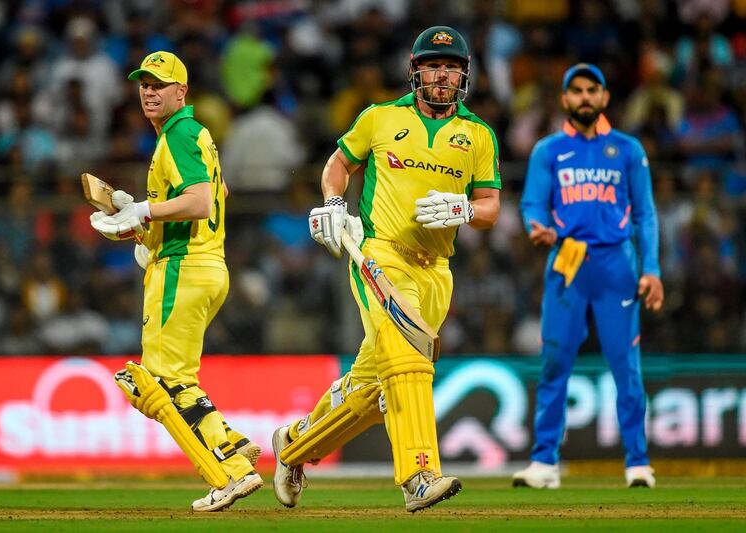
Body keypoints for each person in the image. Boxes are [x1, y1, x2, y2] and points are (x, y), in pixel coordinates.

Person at [271, 26, 501, 512]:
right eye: (434, 66)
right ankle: (419, 474)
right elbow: (337, 164)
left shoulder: (478, 134)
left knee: (371, 388)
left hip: (437, 271)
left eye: (452, 68)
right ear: (415, 72)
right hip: (380, 253)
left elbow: (491, 206)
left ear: (464, 76)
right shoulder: (380, 118)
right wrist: (334, 204)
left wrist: (463, 210)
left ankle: (291, 446)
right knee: (409, 359)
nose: (443, 76)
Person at [89, 51, 262, 511]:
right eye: (144, 84)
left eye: (159, 84)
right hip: (205, 265)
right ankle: (229, 441)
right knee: (170, 381)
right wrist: (148, 227)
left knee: (157, 384)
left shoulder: (180, 133)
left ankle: (228, 471)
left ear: (181, 92)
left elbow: (203, 201)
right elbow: (219, 192)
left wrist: (144, 212)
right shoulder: (195, 134)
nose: (149, 91)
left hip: (183, 270)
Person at [515, 63, 664, 489]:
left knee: (626, 366)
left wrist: (651, 269)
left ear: (604, 98)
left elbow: (647, 215)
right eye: (576, 90)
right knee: (554, 363)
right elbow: (532, 205)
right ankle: (544, 463)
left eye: (591, 90)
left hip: (617, 264)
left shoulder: (629, 149)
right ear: (565, 99)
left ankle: (638, 462)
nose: (584, 97)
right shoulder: (548, 150)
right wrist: (535, 227)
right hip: (568, 262)